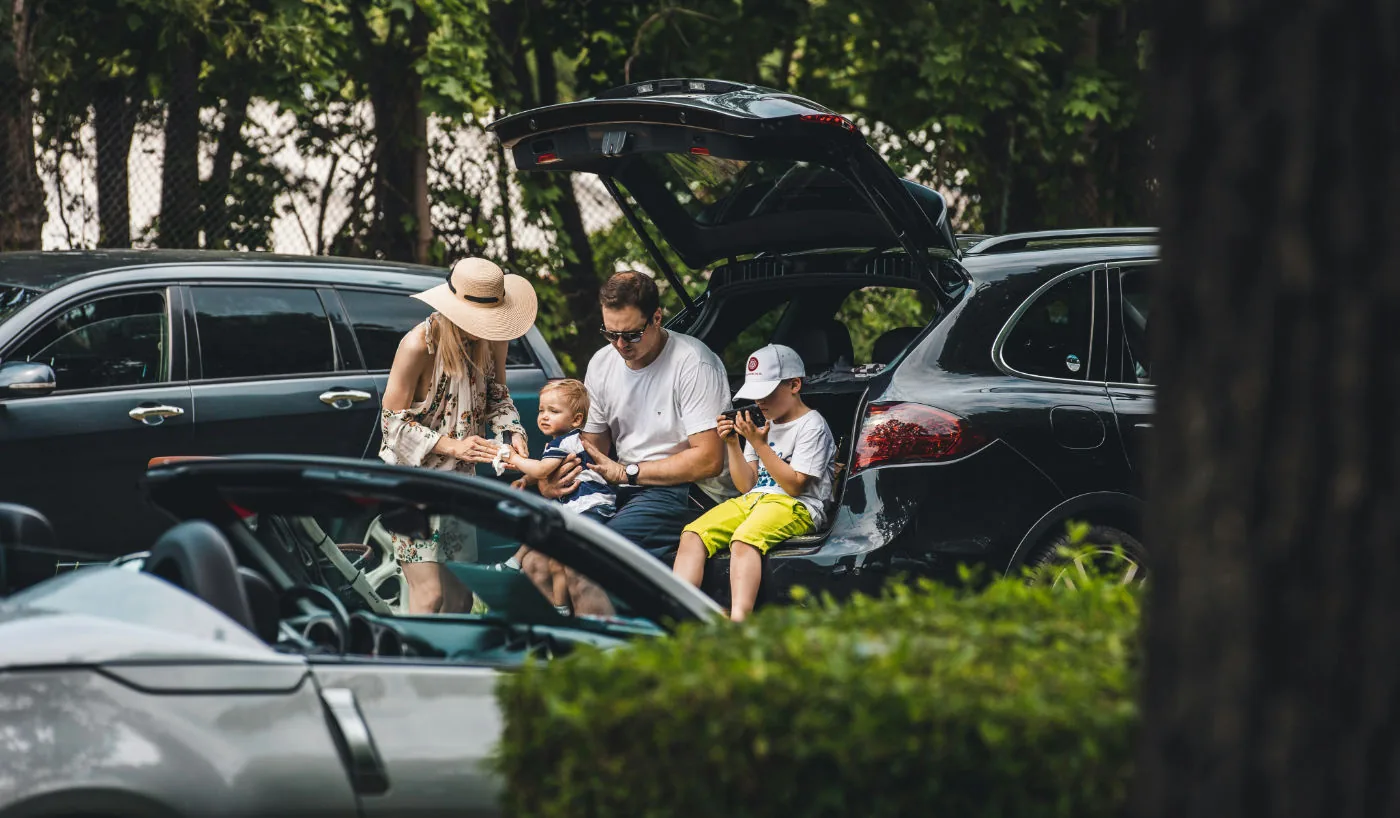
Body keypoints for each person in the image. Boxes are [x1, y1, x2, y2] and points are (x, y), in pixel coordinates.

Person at [535, 270, 732, 615]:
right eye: (610, 334)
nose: (620, 345)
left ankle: (612, 662)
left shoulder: (693, 363)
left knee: (591, 560)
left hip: (690, 492)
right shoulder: (603, 362)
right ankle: (567, 655)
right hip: (622, 485)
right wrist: (555, 479)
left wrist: (627, 472)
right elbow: (590, 446)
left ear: (657, 318)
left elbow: (708, 461)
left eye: (631, 334)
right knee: (537, 559)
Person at [379, 257, 537, 614]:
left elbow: (497, 395)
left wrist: (513, 431)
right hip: (412, 483)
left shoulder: (493, 340)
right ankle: (413, 668)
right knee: (430, 595)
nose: (484, 328)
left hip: (459, 483)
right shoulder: (418, 345)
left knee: (460, 597)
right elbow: (391, 426)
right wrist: (453, 445)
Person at [672, 344, 836, 622]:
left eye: (767, 394)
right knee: (693, 534)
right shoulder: (760, 426)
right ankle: (677, 616)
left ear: (795, 384)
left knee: (745, 540)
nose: (760, 403)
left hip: (797, 505)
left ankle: (739, 622)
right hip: (755, 499)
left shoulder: (812, 425)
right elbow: (746, 485)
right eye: (755, 396)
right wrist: (734, 444)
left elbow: (795, 486)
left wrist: (760, 444)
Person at [502, 378, 615, 614]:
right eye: (541, 410)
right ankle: (559, 605)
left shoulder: (565, 442)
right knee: (554, 552)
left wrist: (514, 459)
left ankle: (557, 603)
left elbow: (543, 469)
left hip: (588, 506)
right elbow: (545, 469)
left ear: (576, 420)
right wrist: (525, 479)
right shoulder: (564, 442)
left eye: (553, 411)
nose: (544, 416)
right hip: (586, 505)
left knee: (556, 544)